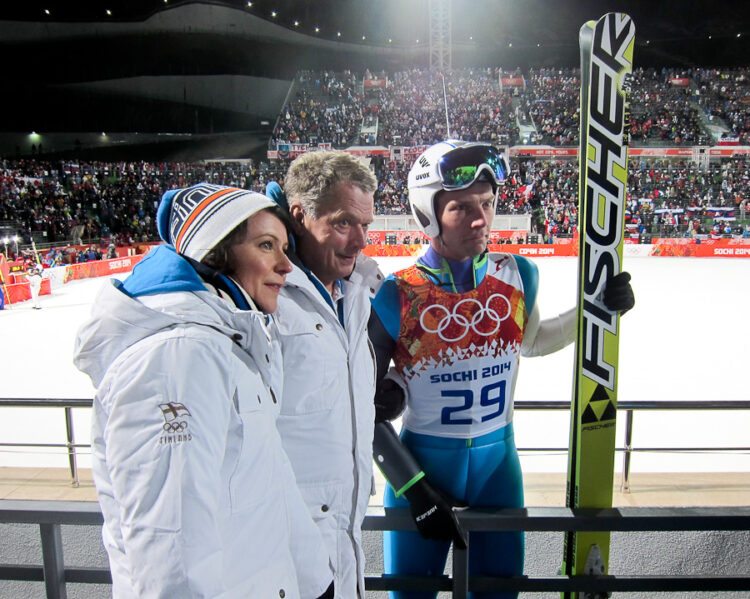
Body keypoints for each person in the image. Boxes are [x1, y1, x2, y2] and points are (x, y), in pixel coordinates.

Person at [369, 141, 635, 599]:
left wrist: (595, 311)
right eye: (460, 207)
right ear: (426, 215)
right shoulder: (396, 294)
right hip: (420, 469)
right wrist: (413, 487)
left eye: (488, 204)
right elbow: (360, 406)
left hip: (499, 466)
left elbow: (529, 342)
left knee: (500, 593)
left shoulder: (520, 275)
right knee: (410, 595)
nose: (480, 219)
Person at [74, 183, 334, 599]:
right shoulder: (177, 357)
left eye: (285, 248)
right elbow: (171, 546)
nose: (287, 266)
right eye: (267, 245)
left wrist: (315, 580)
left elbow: (270, 482)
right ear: (214, 253)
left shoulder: (227, 342)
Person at [267, 150, 382, 598]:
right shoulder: (264, 301)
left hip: (343, 541)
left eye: (365, 225)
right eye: (342, 223)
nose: (359, 241)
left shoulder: (353, 293)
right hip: (288, 558)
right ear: (299, 216)